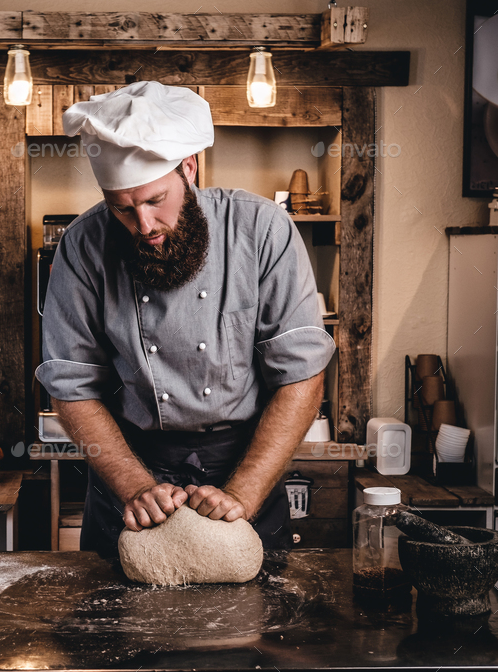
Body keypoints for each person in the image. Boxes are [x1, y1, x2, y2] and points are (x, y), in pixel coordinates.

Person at [35, 81, 336, 558]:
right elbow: (71, 386)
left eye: (155, 201)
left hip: (245, 462)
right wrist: (135, 487)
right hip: (131, 468)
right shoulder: (83, 245)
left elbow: (301, 376)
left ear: (189, 168)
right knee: (114, 628)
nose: (145, 226)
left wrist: (242, 494)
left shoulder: (260, 230)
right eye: (124, 210)